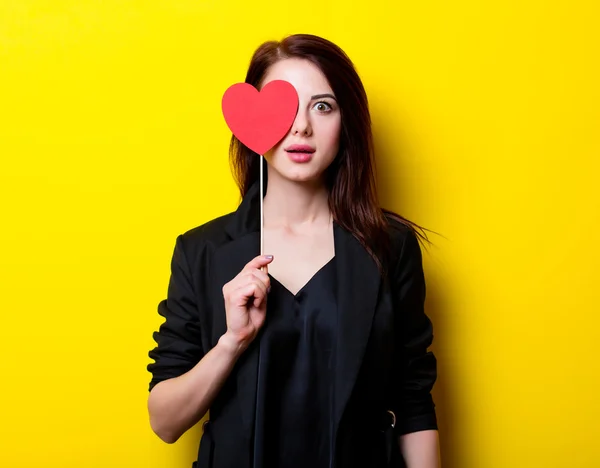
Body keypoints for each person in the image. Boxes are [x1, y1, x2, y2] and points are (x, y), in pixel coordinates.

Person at [147, 33, 440, 468]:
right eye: (283, 106)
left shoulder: (389, 248)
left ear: (347, 124)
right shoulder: (202, 251)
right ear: (250, 124)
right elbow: (165, 422)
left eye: (322, 106)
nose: (301, 126)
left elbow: (413, 399)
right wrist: (232, 341)